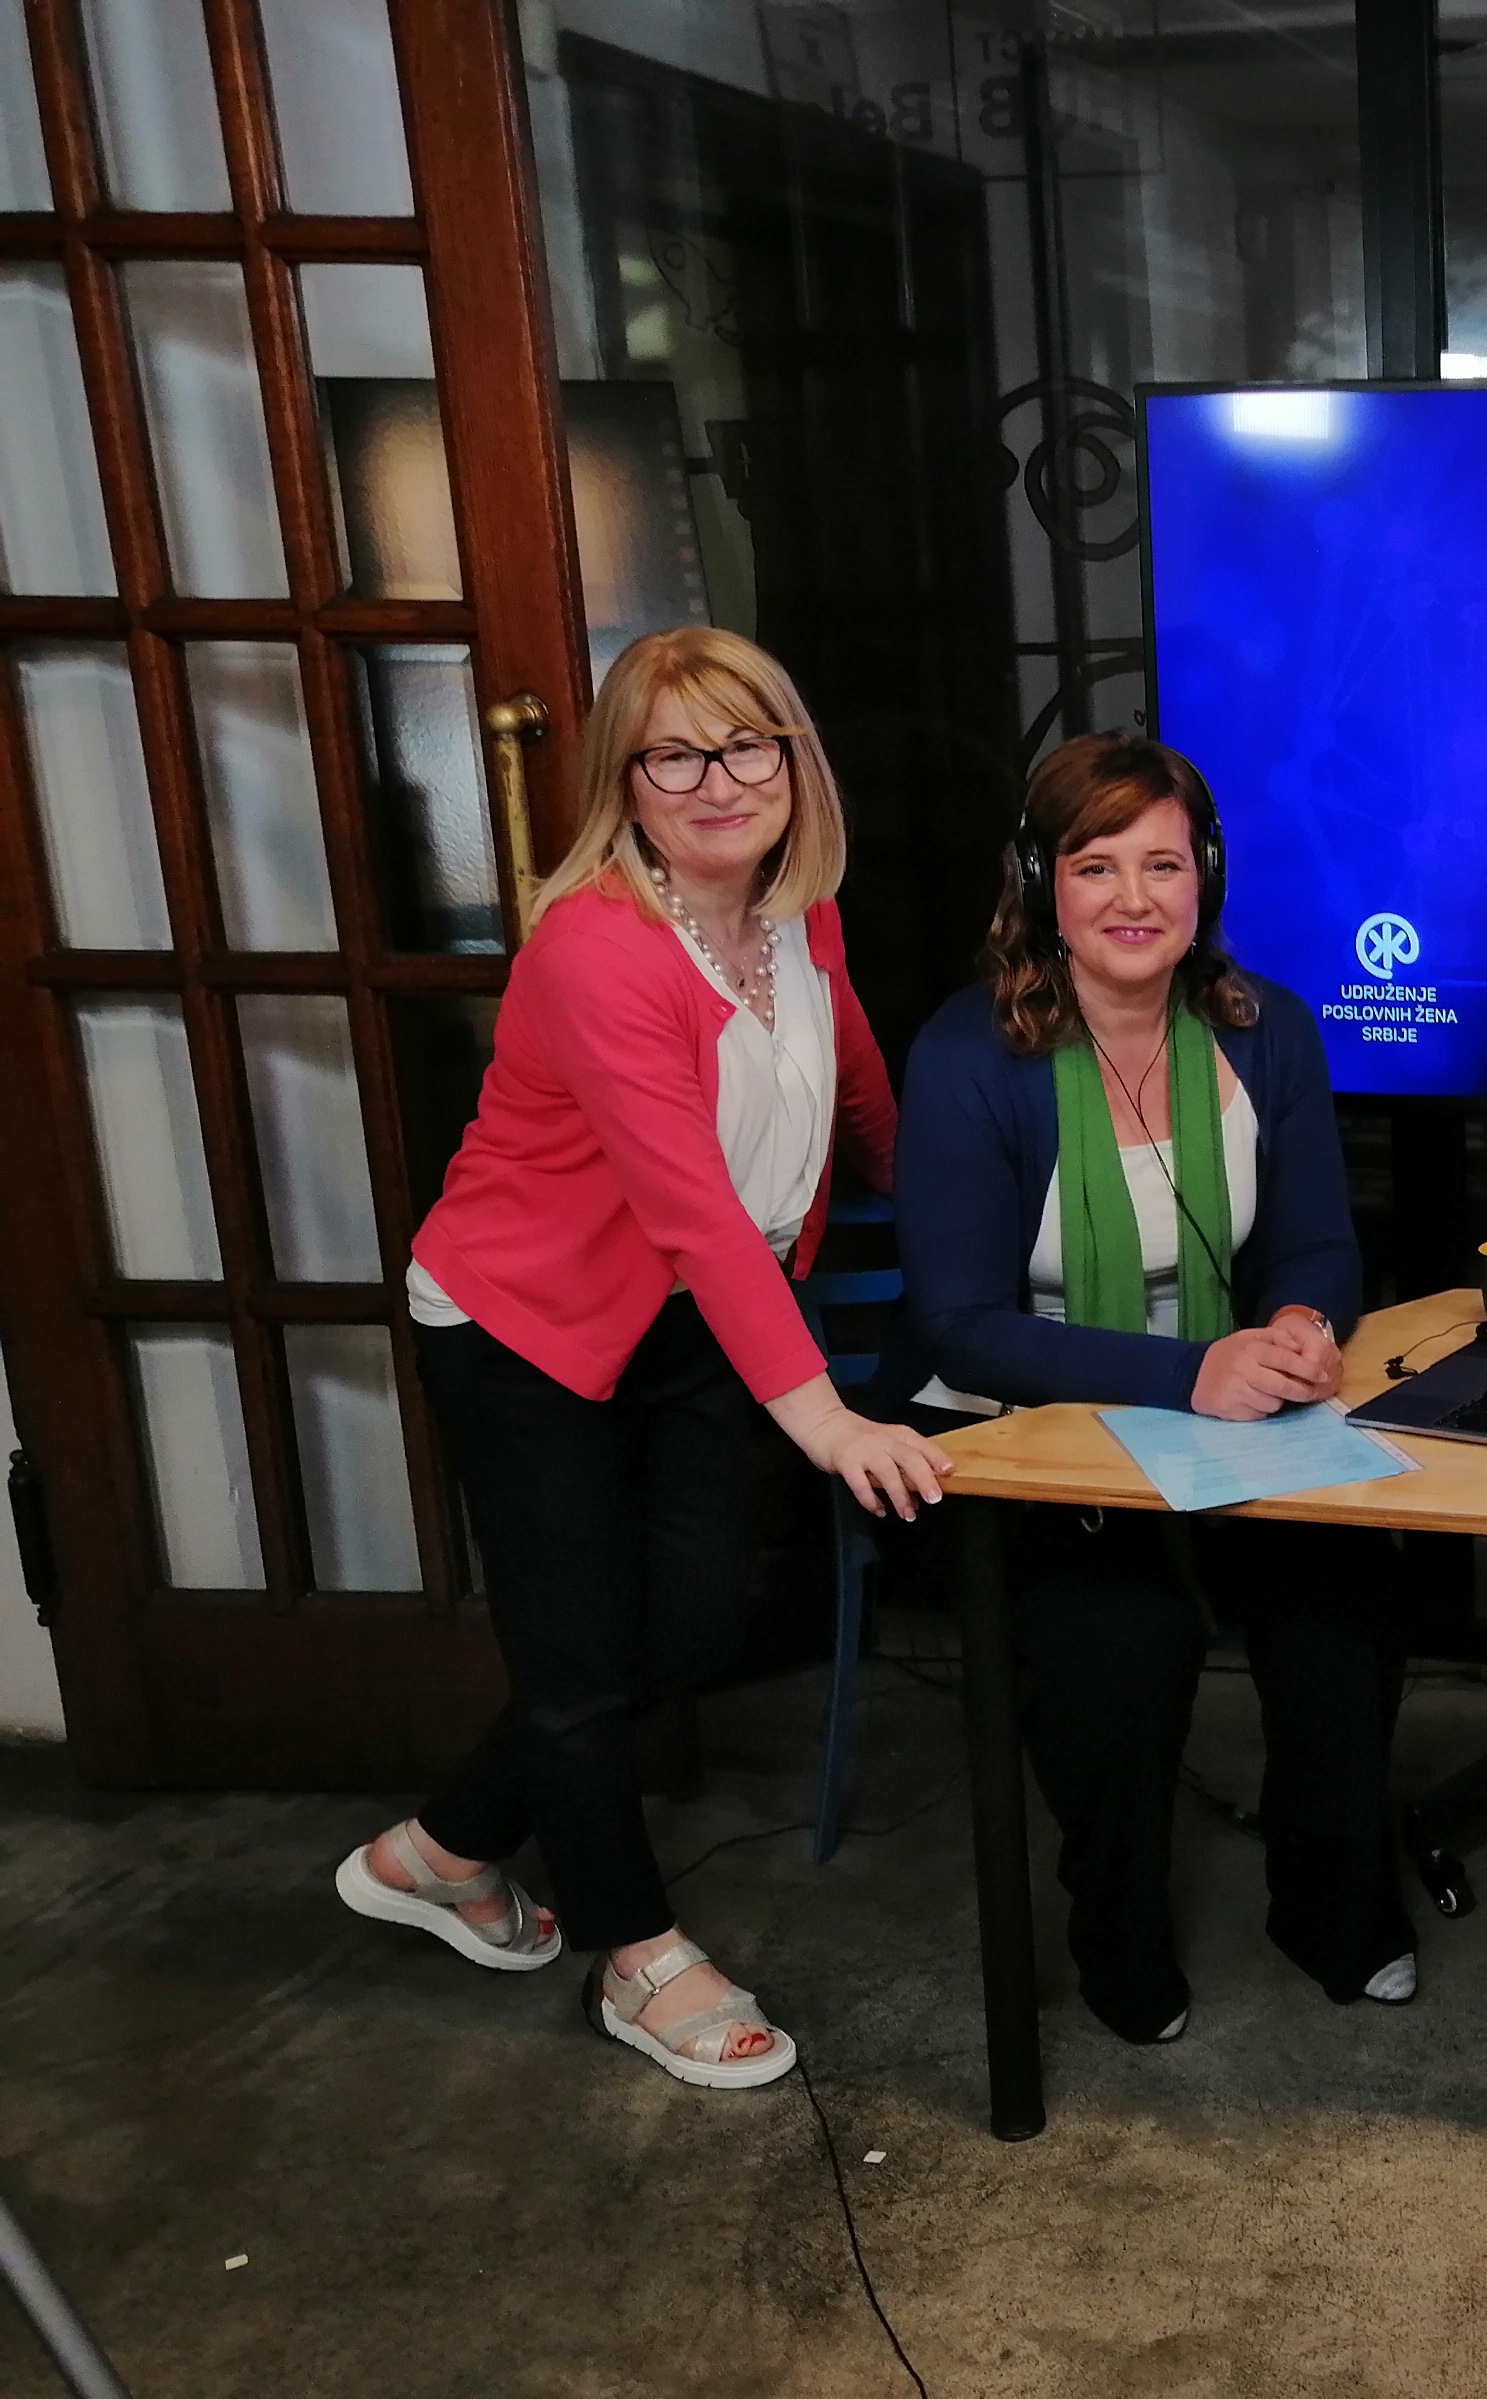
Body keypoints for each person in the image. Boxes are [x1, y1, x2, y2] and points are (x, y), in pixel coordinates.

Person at [332, 626, 949, 2091]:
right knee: (574, 1654)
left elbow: (858, 1087)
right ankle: (637, 1956)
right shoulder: (598, 947)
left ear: (794, 761)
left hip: (694, 1314)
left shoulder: (800, 912)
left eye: (747, 745)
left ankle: (443, 1849)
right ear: (625, 780)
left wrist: (965, 1218)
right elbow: (690, 1207)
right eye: (675, 754)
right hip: (527, 1319)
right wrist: (827, 1421)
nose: (718, 781)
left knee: (687, 1626)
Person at [881, 731, 1418, 2045]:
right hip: (1024, 1421)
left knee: (1344, 1602)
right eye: (1096, 864)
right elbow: (961, 1327)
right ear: (1041, 883)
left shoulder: (1267, 1029)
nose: (1134, 898)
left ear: (1205, 878)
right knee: (1122, 1645)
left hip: (1227, 1406)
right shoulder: (966, 1054)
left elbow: (1319, 1241)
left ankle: (1334, 1908)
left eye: (1163, 864)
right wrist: (1192, 1372)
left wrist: (1302, 1322)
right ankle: (1116, 1936)